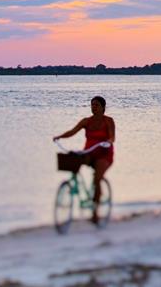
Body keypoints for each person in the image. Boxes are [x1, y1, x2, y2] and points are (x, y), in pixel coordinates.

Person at [53, 96, 115, 225]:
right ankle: (74, 185)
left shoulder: (108, 121)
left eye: (97, 105)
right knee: (73, 159)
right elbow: (72, 131)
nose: (94, 107)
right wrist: (59, 137)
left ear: (103, 107)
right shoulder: (86, 121)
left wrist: (108, 142)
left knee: (97, 179)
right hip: (89, 152)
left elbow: (112, 137)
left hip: (104, 154)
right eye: (92, 105)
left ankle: (95, 211)